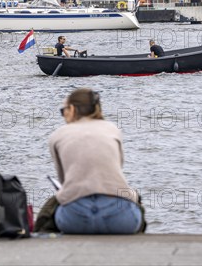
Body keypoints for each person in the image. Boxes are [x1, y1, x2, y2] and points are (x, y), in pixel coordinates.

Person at [48, 88, 143, 234]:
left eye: (63, 110)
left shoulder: (57, 136)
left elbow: (64, 181)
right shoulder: (112, 129)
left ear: (72, 109)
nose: (63, 115)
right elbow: (118, 167)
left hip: (75, 220)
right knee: (135, 201)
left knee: (55, 207)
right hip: (119, 219)